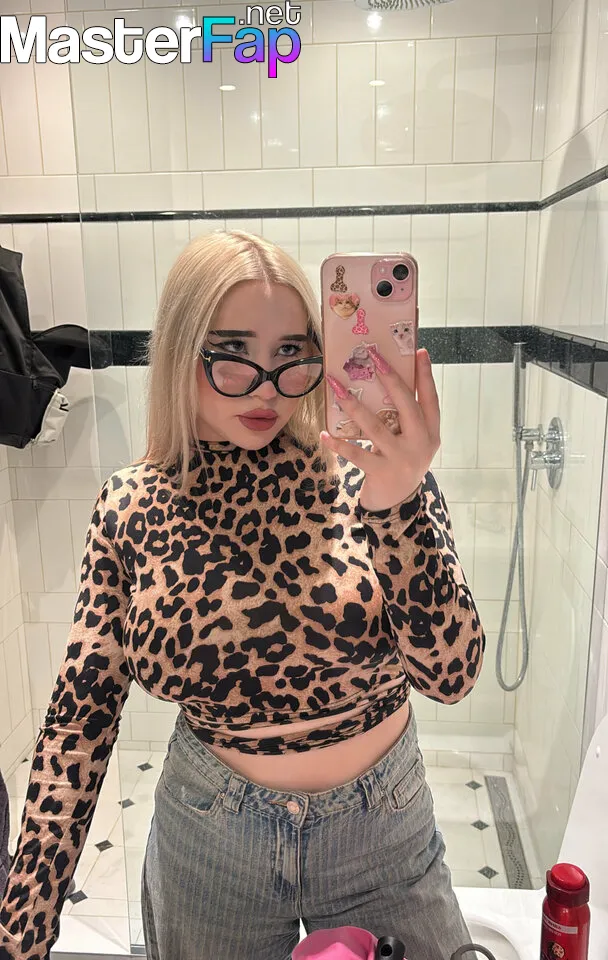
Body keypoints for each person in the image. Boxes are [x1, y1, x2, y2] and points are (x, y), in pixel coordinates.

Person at [0, 231, 486, 960]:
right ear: (180, 352)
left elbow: (452, 675)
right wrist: (24, 927)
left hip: (381, 826)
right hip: (209, 836)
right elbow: (79, 724)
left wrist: (399, 506)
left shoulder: (374, 472)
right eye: (232, 353)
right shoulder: (133, 505)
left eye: (291, 353)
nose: (267, 387)